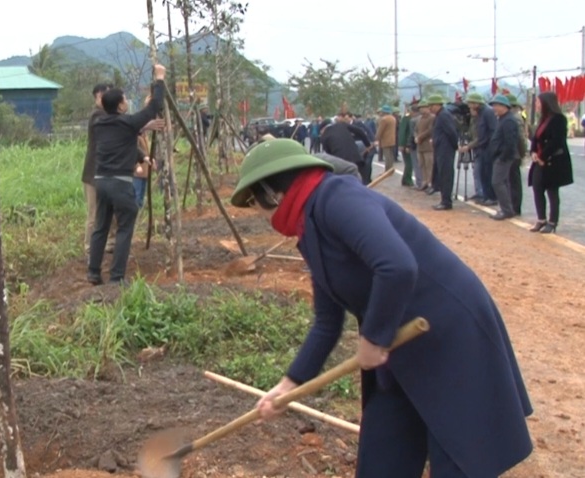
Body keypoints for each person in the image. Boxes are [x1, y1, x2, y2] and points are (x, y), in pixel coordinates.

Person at [229, 137, 533, 478]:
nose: (259, 214)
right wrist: (289, 384)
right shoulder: (309, 229)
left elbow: (397, 265)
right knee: (383, 456)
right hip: (399, 348)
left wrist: (373, 337)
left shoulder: (338, 199)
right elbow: (327, 322)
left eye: (256, 203)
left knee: (457, 458)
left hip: (447, 335)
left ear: (273, 193)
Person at [87, 64, 166, 285]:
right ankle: (117, 277)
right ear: (121, 106)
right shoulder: (128, 123)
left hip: (101, 182)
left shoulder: (100, 123)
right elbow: (154, 109)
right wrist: (160, 79)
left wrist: (141, 157)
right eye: (125, 99)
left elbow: (123, 142)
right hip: (121, 184)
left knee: (101, 227)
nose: (127, 102)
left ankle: (93, 272)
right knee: (124, 227)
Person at [528, 92, 575, 233]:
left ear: (546, 103)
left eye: (538, 102)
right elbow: (536, 139)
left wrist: (542, 156)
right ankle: (541, 219)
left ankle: (552, 222)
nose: (536, 105)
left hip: (553, 161)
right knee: (537, 188)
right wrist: (534, 152)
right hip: (539, 160)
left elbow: (556, 141)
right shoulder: (542, 119)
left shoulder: (559, 119)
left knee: (552, 191)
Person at [82, 83, 113, 254]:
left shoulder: (108, 115)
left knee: (108, 211)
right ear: (97, 97)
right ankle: (89, 247)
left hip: (106, 173)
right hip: (93, 173)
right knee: (94, 213)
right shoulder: (97, 116)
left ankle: (107, 243)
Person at [460, 92, 498, 206]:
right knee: (482, 173)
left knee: (487, 173)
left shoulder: (487, 112)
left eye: (471, 103)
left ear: (477, 103)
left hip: (487, 148)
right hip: (481, 148)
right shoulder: (479, 114)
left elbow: (488, 133)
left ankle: (491, 197)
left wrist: (470, 146)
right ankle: (485, 195)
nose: (469, 106)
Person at [488, 95, 521, 220]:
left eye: (496, 105)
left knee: (497, 182)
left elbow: (510, 142)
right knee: (503, 182)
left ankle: (506, 210)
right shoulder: (503, 119)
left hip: (504, 157)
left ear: (503, 106)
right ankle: (507, 208)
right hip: (501, 155)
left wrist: (503, 156)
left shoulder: (508, 121)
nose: (494, 108)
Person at [426, 94, 459, 210]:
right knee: (441, 174)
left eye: (431, 106)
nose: (430, 108)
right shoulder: (439, 116)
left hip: (445, 149)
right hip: (440, 148)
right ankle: (443, 198)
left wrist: (454, 146)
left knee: (446, 175)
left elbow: (452, 132)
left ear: (437, 105)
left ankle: (446, 201)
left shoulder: (444, 116)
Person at [320, 114, 372, 183]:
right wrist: (368, 145)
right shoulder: (341, 125)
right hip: (357, 159)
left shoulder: (324, 137)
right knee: (362, 184)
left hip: (342, 165)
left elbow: (330, 157)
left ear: (323, 129)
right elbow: (360, 131)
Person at [413, 99, 436, 191]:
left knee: (429, 165)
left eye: (423, 107)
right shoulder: (419, 119)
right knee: (421, 164)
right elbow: (415, 130)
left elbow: (430, 130)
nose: (422, 110)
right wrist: (416, 137)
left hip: (428, 146)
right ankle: (424, 182)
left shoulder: (432, 118)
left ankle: (430, 183)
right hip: (420, 146)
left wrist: (420, 137)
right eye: (420, 108)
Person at [375, 105, 397, 171]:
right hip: (392, 139)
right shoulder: (393, 118)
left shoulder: (384, 119)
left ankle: (387, 170)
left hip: (385, 139)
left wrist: (376, 138)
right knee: (391, 155)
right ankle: (391, 168)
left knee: (387, 155)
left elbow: (380, 130)